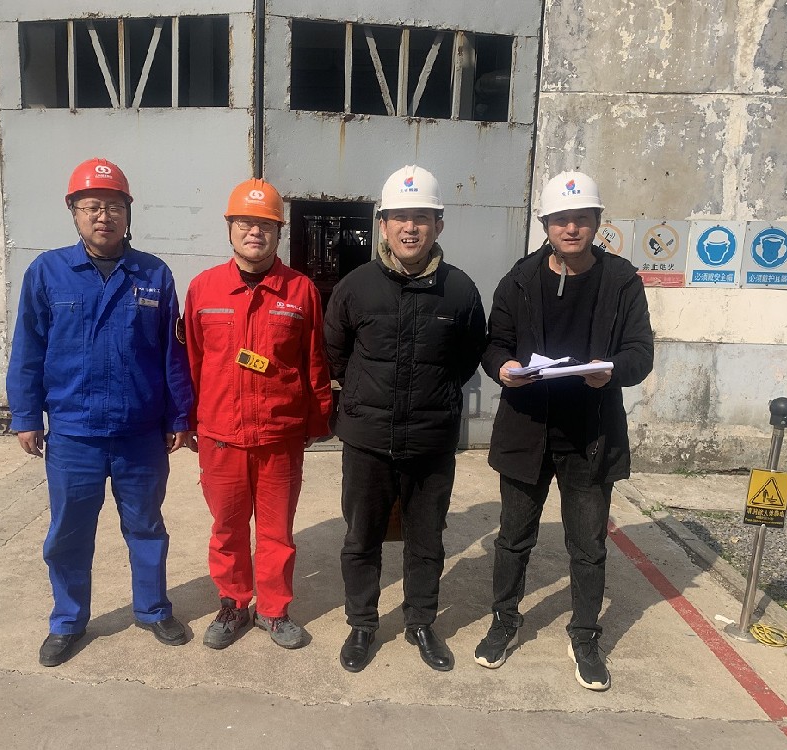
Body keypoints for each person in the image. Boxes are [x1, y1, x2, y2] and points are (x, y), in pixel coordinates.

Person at [7, 157, 194, 667]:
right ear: (73, 211)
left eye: (113, 206)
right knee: (69, 533)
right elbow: (28, 348)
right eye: (91, 206)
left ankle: (153, 610)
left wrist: (179, 416)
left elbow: (172, 353)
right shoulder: (47, 273)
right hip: (74, 434)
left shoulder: (153, 274)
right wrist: (26, 415)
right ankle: (68, 621)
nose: (103, 216)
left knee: (146, 527)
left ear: (128, 213)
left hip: (140, 434)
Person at [474, 171, 654, 691]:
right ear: (546, 225)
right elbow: (493, 342)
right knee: (513, 538)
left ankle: (585, 635)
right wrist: (503, 367)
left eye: (581, 219)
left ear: (597, 222)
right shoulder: (519, 279)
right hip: (527, 429)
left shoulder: (621, 281)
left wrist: (611, 372)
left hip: (589, 433)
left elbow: (640, 352)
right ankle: (504, 619)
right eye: (560, 220)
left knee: (588, 545)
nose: (571, 228)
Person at [324, 165, 486, 673]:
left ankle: (420, 622)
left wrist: (432, 398)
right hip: (367, 439)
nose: (410, 228)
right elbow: (335, 354)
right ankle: (362, 624)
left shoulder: (459, 291)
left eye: (421, 217)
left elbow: (467, 359)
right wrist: (364, 399)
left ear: (439, 225)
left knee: (426, 540)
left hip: (431, 440)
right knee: (361, 538)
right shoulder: (356, 286)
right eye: (399, 217)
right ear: (383, 225)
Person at [184, 178, 332, 651]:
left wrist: (317, 420)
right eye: (246, 223)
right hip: (221, 436)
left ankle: (273, 610)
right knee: (227, 529)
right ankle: (233, 604)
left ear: (279, 233)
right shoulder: (204, 288)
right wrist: (188, 420)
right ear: (230, 227)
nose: (255, 232)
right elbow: (191, 361)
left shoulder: (301, 291)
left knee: (276, 532)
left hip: (279, 437)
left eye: (266, 225)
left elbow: (314, 361)